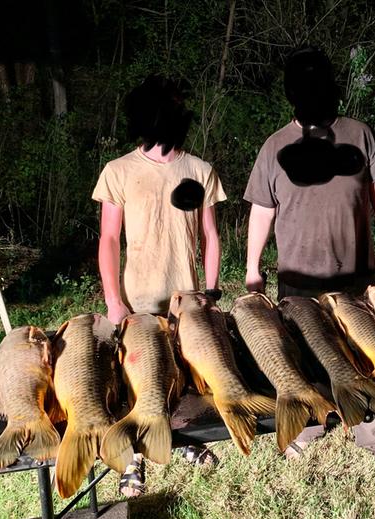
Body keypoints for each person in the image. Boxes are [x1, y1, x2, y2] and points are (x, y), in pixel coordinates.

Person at [243, 46, 375, 475]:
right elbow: (262, 210)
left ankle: (373, 433)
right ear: (292, 95)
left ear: (332, 90)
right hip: (298, 281)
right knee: (304, 358)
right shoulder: (274, 146)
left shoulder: (360, 134)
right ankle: (309, 425)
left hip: (356, 277)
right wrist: (252, 268)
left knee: (366, 354)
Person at [93, 75, 227, 497]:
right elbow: (109, 239)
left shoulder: (200, 170)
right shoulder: (119, 171)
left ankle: (178, 439)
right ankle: (131, 457)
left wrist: (210, 290)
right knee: (136, 381)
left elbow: (210, 236)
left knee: (182, 380)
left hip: (185, 301)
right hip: (137, 302)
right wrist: (114, 301)